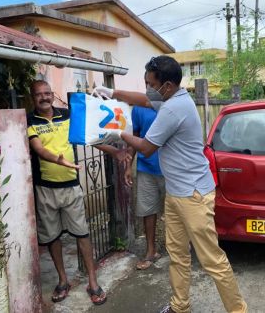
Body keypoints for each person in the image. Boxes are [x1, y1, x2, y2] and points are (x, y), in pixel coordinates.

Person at [94, 55, 247, 313]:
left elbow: (146, 147)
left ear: (165, 85)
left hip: (193, 195)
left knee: (212, 260)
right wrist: (112, 92)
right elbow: (142, 99)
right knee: (177, 255)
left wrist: (118, 133)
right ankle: (180, 306)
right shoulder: (170, 98)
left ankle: (238, 310)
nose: (146, 88)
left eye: (149, 83)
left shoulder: (174, 109)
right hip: (177, 193)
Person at [27, 80, 107, 305]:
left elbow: (88, 136)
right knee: (52, 238)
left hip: (71, 188)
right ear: (33, 97)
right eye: (38, 94)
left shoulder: (67, 115)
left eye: (47, 93)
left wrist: (114, 151)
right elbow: (39, 149)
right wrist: (58, 160)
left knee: (82, 234)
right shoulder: (30, 120)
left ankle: (92, 281)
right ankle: (63, 280)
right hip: (45, 190)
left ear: (53, 95)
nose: (44, 97)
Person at [125, 103, 166, 270]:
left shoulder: (169, 103)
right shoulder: (138, 108)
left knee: (178, 211)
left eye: (152, 82)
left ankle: (183, 251)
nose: (149, 86)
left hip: (170, 169)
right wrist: (128, 166)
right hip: (146, 168)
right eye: (146, 83)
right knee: (148, 211)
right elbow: (135, 136)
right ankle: (151, 251)